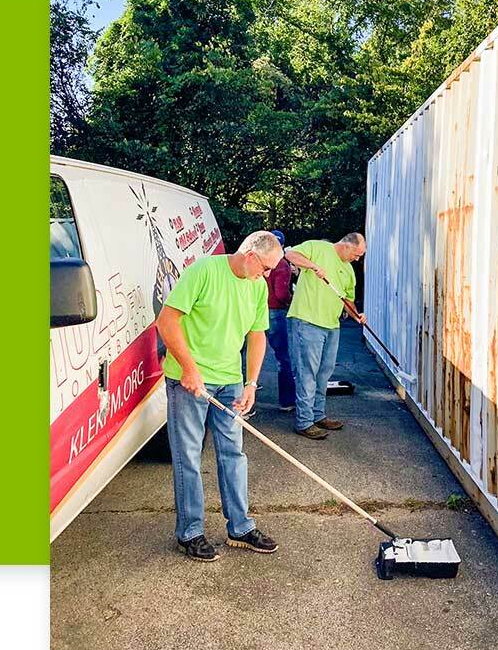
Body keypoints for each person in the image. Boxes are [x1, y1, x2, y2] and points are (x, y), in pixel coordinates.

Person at [156, 230, 283, 562]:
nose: (267, 276)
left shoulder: (257, 286)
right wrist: (189, 368)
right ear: (250, 255)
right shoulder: (204, 271)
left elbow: (257, 336)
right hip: (189, 381)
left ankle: (240, 528)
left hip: (230, 382)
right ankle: (190, 533)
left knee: (233, 454)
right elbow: (166, 322)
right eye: (266, 268)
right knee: (188, 456)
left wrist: (251, 383)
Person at [284, 232, 367, 440]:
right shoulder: (317, 247)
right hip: (307, 321)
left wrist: (356, 315)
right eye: (357, 254)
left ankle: (318, 415)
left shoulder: (349, 270)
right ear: (347, 245)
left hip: (332, 326)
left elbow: (347, 300)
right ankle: (304, 421)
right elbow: (290, 254)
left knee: (324, 373)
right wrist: (313, 266)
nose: (357, 259)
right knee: (307, 373)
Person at [241, 229, 295, 416]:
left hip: (254, 308)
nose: (266, 274)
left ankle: (245, 401)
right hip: (274, 311)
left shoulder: (252, 265)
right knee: (282, 357)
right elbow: (281, 293)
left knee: (244, 354)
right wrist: (289, 300)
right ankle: (287, 400)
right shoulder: (281, 264)